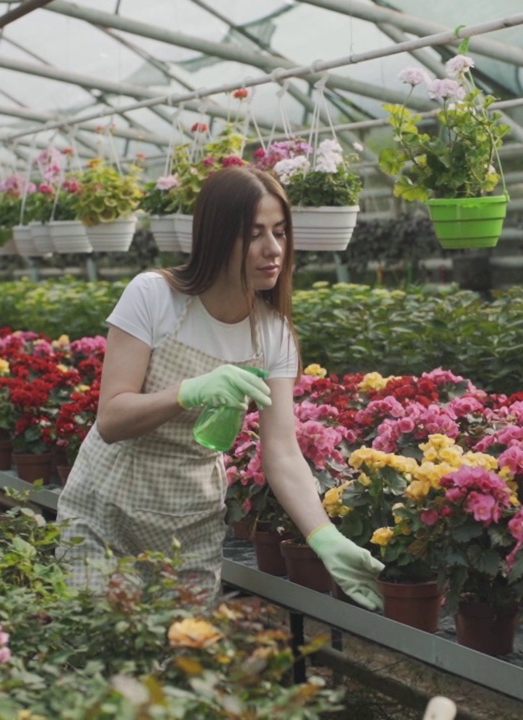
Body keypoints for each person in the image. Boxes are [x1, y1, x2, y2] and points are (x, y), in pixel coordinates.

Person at [56, 166, 385, 609]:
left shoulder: (273, 335)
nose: (273, 250)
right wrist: (186, 392)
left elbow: (282, 452)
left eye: (280, 232)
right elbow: (112, 419)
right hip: (104, 515)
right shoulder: (155, 297)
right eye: (254, 234)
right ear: (216, 237)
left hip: (187, 524)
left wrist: (324, 535)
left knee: (183, 665)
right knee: (103, 657)